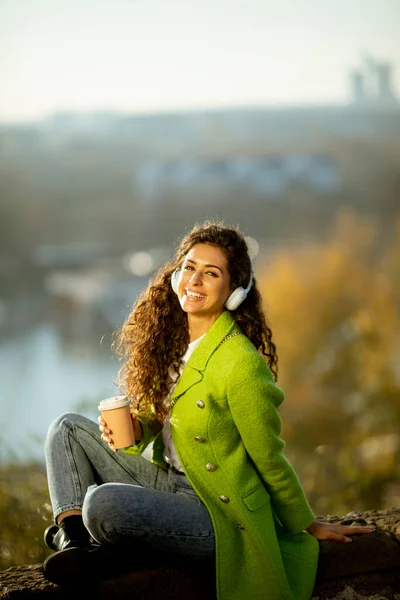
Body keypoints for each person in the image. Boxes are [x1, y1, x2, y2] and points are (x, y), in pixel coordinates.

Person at [42, 221, 375, 599]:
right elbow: (160, 429)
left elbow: (268, 456)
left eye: (211, 273)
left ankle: (94, 546)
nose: (195, 280)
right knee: (66, 428)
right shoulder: (172, 346)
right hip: (169, 482)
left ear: (234, 291)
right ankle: (72, 543)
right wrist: (135, 433)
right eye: (189, 267)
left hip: (216, 512)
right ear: (175, 276)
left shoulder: (240, 363)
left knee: (101, 504)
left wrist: (305, 522)